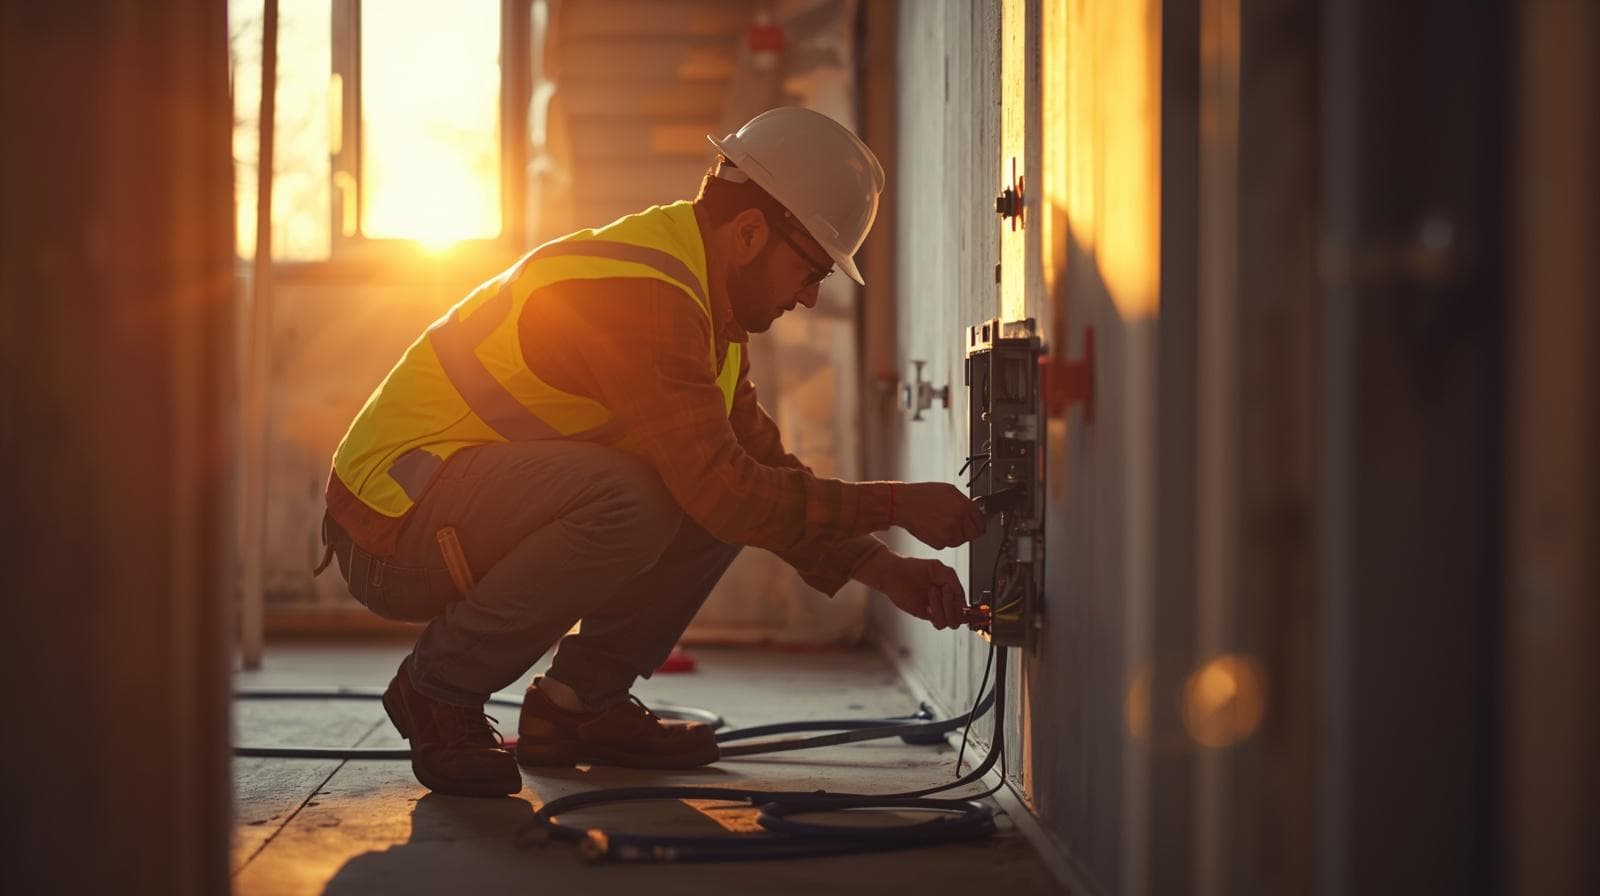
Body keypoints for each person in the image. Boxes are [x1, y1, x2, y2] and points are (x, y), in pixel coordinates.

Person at [318, 107, 986, 797]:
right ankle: (439, 687)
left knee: (716, 491)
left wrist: (884, 568)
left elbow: (760, 475)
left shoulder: (706, 315)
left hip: (452, 508)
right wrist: (898, 503)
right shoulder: (644, 298)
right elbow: (725, 491)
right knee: (645, 496)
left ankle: (576, 706)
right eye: (811, 269)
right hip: (391, 525)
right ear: (749, 233)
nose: (812, 297)